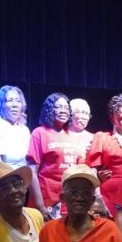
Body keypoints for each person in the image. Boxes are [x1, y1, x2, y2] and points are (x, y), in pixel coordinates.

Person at [28, 92, 87, 220]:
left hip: (68, 201)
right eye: (59, 107)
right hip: (47, 201)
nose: (63, 111)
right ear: (49, 110)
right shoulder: (39, 133)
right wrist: (40, 206)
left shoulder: (71, 136)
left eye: (66, 108)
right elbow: (32, 172)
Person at [85, 94, 122, 214]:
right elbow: (93, 171)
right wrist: (98, 198)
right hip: (109, 195)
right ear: (113, 116)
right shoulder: (102, 137)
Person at [0, 85, 31, 168]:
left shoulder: (24, 130)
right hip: (6, 176)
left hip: (24, 175)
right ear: (1, 104)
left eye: (18, 101)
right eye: (10, 100)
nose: (15, 105)